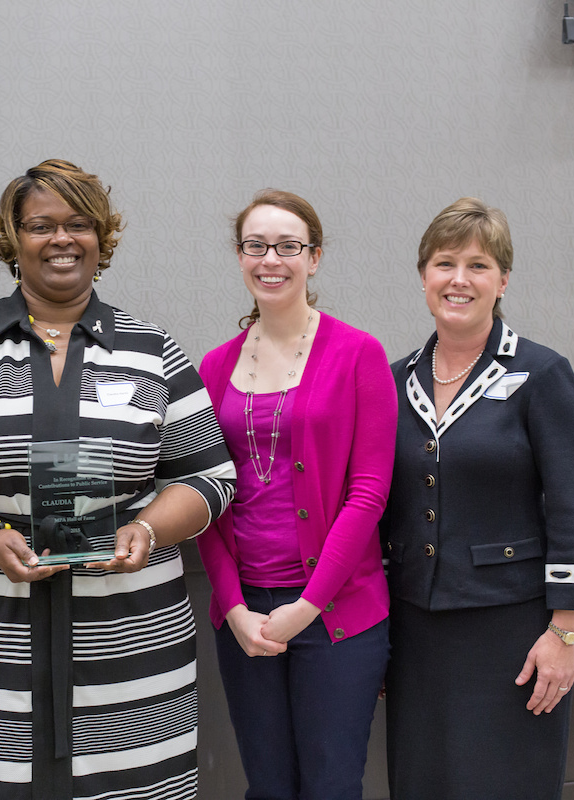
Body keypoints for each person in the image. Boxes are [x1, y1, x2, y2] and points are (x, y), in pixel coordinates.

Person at [0, 159, 235, 800]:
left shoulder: (153, 350)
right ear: (14, 241)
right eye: (41, 225)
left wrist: (148, 527)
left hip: (132, 653)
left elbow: (209, 477)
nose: (61, 239)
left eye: (78, 224)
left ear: (102, 237)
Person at [382, 198, 574, 799]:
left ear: (503, 280)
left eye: (478, 265)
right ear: (423, 275)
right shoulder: (393, 381)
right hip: (416, 633)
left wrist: (565, 632)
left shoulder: (542, 374)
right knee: (421, 783)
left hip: (514, 633)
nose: (459, 279)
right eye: (444, 263)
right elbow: (379, 511)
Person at [196, 190, 396, 799]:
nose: (271, 259)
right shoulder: (212, 367)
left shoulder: (359, 353)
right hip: (246, 613)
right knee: (269, 787)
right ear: (239, 257)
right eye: (256, 246)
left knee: (331, 785)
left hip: (337, 611)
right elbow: (206, 499)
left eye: (288, 246)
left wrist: (306, 605)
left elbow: (369, 493)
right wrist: (233, 609)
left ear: (314, 258)